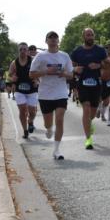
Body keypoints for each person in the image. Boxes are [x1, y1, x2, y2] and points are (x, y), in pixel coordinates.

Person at [30, 31, 74, 160]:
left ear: (58, 41)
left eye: (55, 38)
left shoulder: (64, 56)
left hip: (61, 93)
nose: (53, 40)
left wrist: (64, 74)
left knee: (59, 119)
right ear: (46, 41)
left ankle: (56, 150)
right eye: (51, 38)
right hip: (45, 94)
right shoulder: (40, 57)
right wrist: (46, 71)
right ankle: (49, 129)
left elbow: (71, 75)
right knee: (48, 123)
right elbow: (31, 74)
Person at [70, 28, 108, 150]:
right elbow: (70, 65)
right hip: (82, 84)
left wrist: (99, 65)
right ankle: (88, 139)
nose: (90, 37)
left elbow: (108, 63)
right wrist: (75, 69)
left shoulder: (100, 50)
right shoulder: (77, 51)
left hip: (96, 84)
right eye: (88, 35)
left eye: (92, 35)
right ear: (83, 37)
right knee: (86, 110)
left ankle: (89, 123)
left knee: (92, 113)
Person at [9, 43, 39, 139]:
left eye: (24, 49)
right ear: (18, 51)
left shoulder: (33, 61)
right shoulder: (15, 63)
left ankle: (30, 121)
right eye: (21, 49)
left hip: (32, 90)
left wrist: (37, 79)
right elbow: (9, 75)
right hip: (20, 90)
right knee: (22, 110)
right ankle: (25, 130)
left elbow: (39, 72)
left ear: (27, 51)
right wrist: (12, 78)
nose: (23, 51)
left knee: (32, 112)